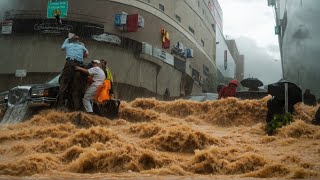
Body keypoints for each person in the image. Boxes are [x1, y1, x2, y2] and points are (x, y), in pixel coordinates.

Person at [56, 35, 89, 110]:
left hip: (69, 64)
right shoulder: (81, 47)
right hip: (79, 67)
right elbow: (86, 54)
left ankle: (61, 105)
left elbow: (62, 48)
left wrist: (67, 39)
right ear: (78, 41)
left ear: (71, 40)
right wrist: (82, 46)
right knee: (77, 87)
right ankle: (78, 108)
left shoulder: (68, 45)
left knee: (63, 83)